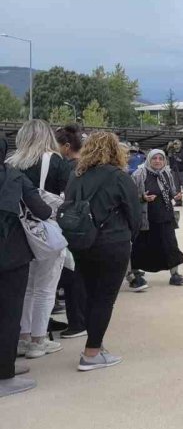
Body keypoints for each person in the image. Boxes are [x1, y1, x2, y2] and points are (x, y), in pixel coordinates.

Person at [65, 132, 141, 371]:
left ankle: (94, 344)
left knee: (90, 294)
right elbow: (135, 216)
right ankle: (92, 352)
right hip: (112, 242)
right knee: (105, 298)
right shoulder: (119, 177)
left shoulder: (76, 176)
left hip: (81, 241)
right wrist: (130, 236)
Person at [6, 119, 70, 360]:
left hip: (16, 232)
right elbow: (68, 196)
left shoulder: (10, 163)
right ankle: (38, 341)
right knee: (45, 288)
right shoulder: (54, 161)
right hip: (46, 230)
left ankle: (22, 337)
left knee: (25, 288)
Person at [0, 137, 52, 397]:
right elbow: (41, 211)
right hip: (11, 255)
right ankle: (4, 374)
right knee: (9, 315)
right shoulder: (14, 177)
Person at [129, 149, 183, 287]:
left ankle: (175, 274)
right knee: (141, 246)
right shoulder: (139, 174)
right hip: (147, 219)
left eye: (160, 159)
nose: (157, 161)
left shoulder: (166, 173)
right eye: (154, 158)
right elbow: (130, 197)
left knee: (171, 245)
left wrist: (175, 196)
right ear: (149, 159)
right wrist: (143, 198)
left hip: (165, 216)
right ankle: (135, 274)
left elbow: (170, 191)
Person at [54, 125, 87, 339]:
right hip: (81, 225)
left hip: (69, 224)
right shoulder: (84, 166)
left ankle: (77, 322)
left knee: (72, 275)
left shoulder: (68, 167)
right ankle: (79, 319)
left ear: (66, 147)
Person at [166, 139, 183, 209]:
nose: (176, 145)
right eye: (175, 144)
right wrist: (169, 147)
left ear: (181, 144)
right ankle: (178, 202)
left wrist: (180, 160)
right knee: (176, 187)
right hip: (174, 171)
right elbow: (167, 153)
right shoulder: (172, 151)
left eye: (178, 143)